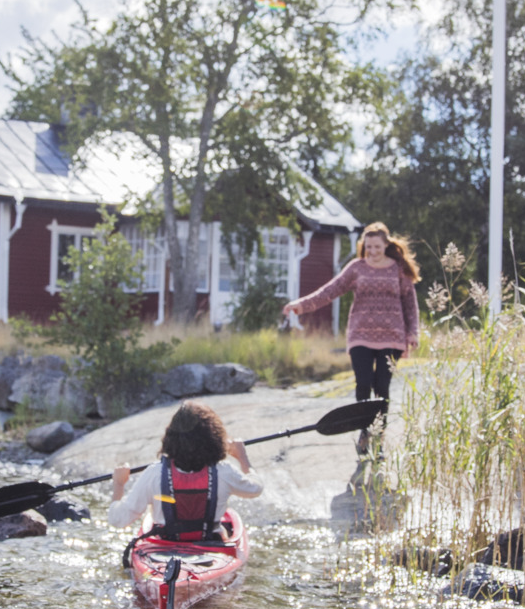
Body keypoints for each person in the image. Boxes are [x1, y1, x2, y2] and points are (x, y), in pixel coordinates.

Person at [286, 221, 420, 454]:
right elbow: (330, 290)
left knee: (382, 387)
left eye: (377, 247)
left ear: (386, 245)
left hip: (392, 337)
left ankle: (379, 435)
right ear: (363, 246)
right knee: (363, 384)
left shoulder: (398, 269)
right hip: (360, 335)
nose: (373, 251)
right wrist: (301, 305)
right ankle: (365, 433)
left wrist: (413, 332)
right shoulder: (357, 268)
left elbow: (410, 303)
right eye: (369, 247)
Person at [109, 400, 264, 547]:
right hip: (211, 544)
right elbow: (256, 489)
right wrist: (242, 457)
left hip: (165, 548)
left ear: (170, 437)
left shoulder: (154, 474)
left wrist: (118, 484)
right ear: (214, 438)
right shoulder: (224, 471)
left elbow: (118, 520)